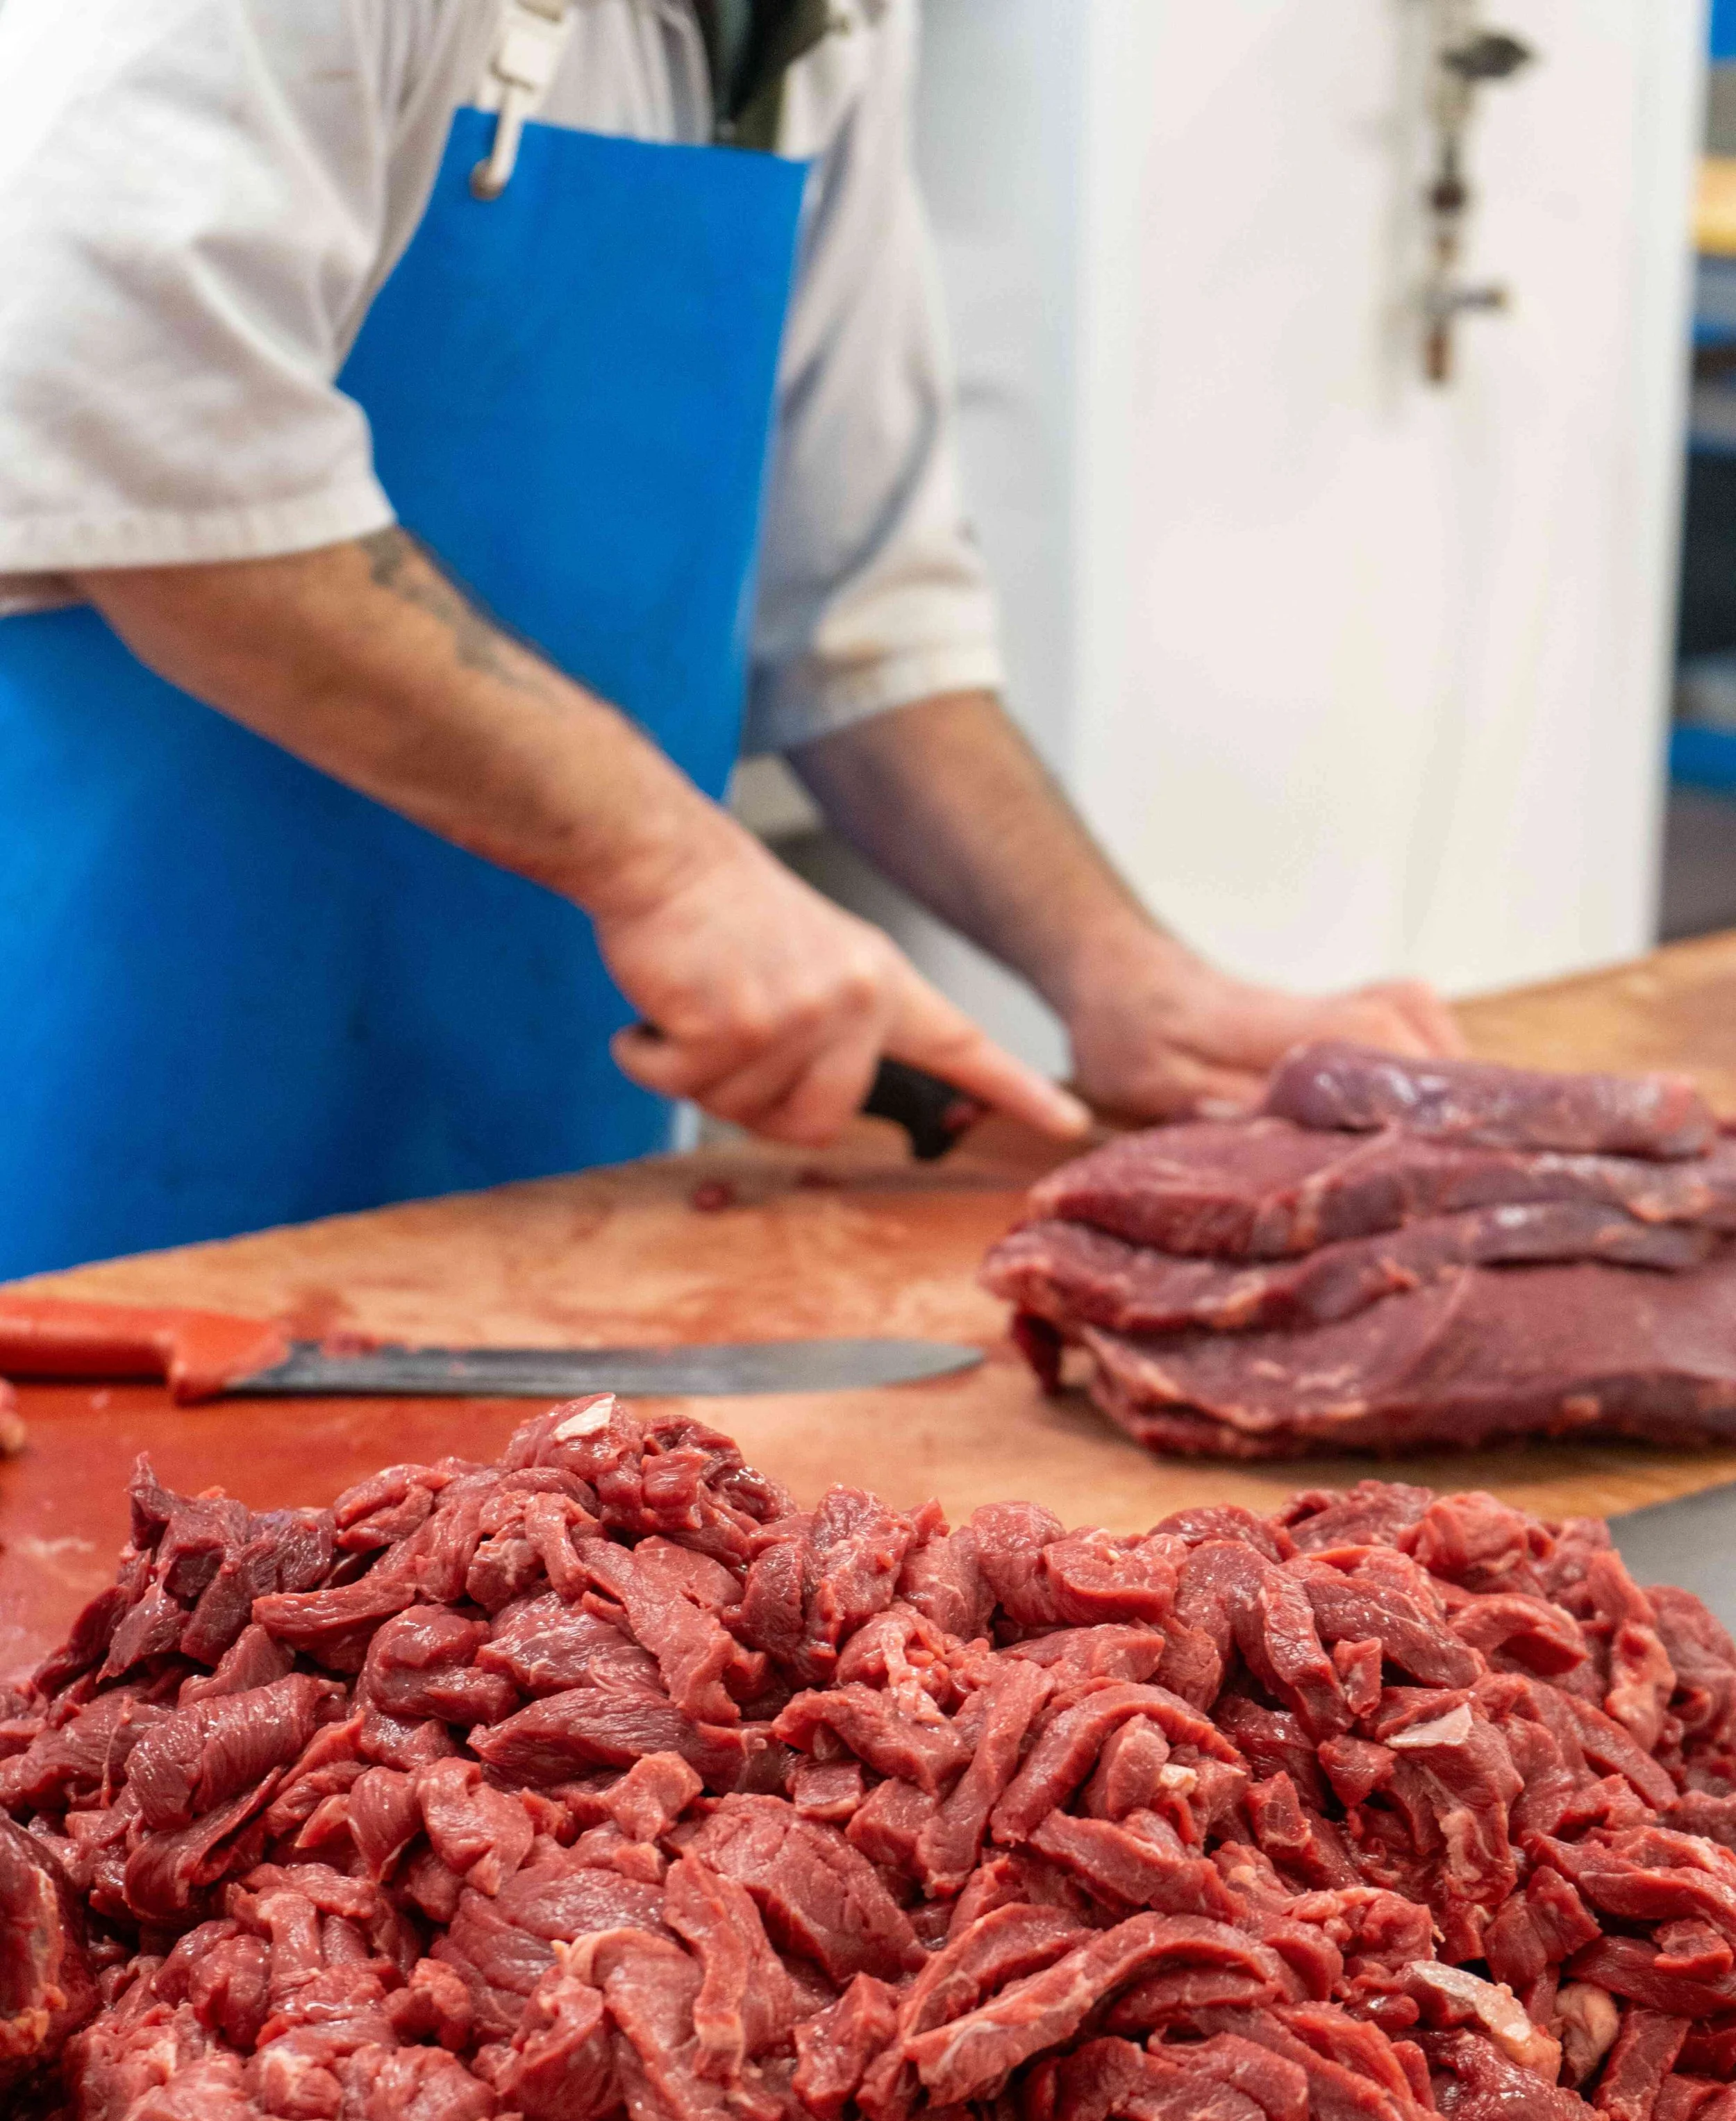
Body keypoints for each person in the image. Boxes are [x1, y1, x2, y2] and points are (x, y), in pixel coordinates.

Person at [0, 0, 1460, 1280]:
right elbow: (139, 449)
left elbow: (855, 620)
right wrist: (667, 864)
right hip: (89, 1082)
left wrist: (1116, 971)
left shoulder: (822, 28)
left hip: (536, 1143)